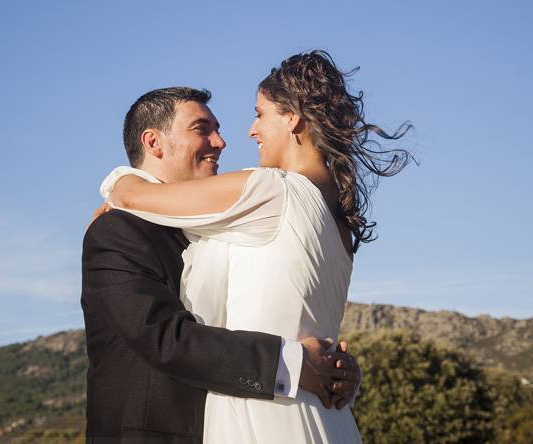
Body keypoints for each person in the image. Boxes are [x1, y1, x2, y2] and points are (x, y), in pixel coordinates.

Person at [102, 50, 412, 443]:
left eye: (259, 114)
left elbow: (132, 196)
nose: (249, 131)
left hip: (264, 415)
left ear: (293, 118)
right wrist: (342, 368)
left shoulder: (270, 190)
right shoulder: (339, 222)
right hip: (328, 417)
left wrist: (118, 185)